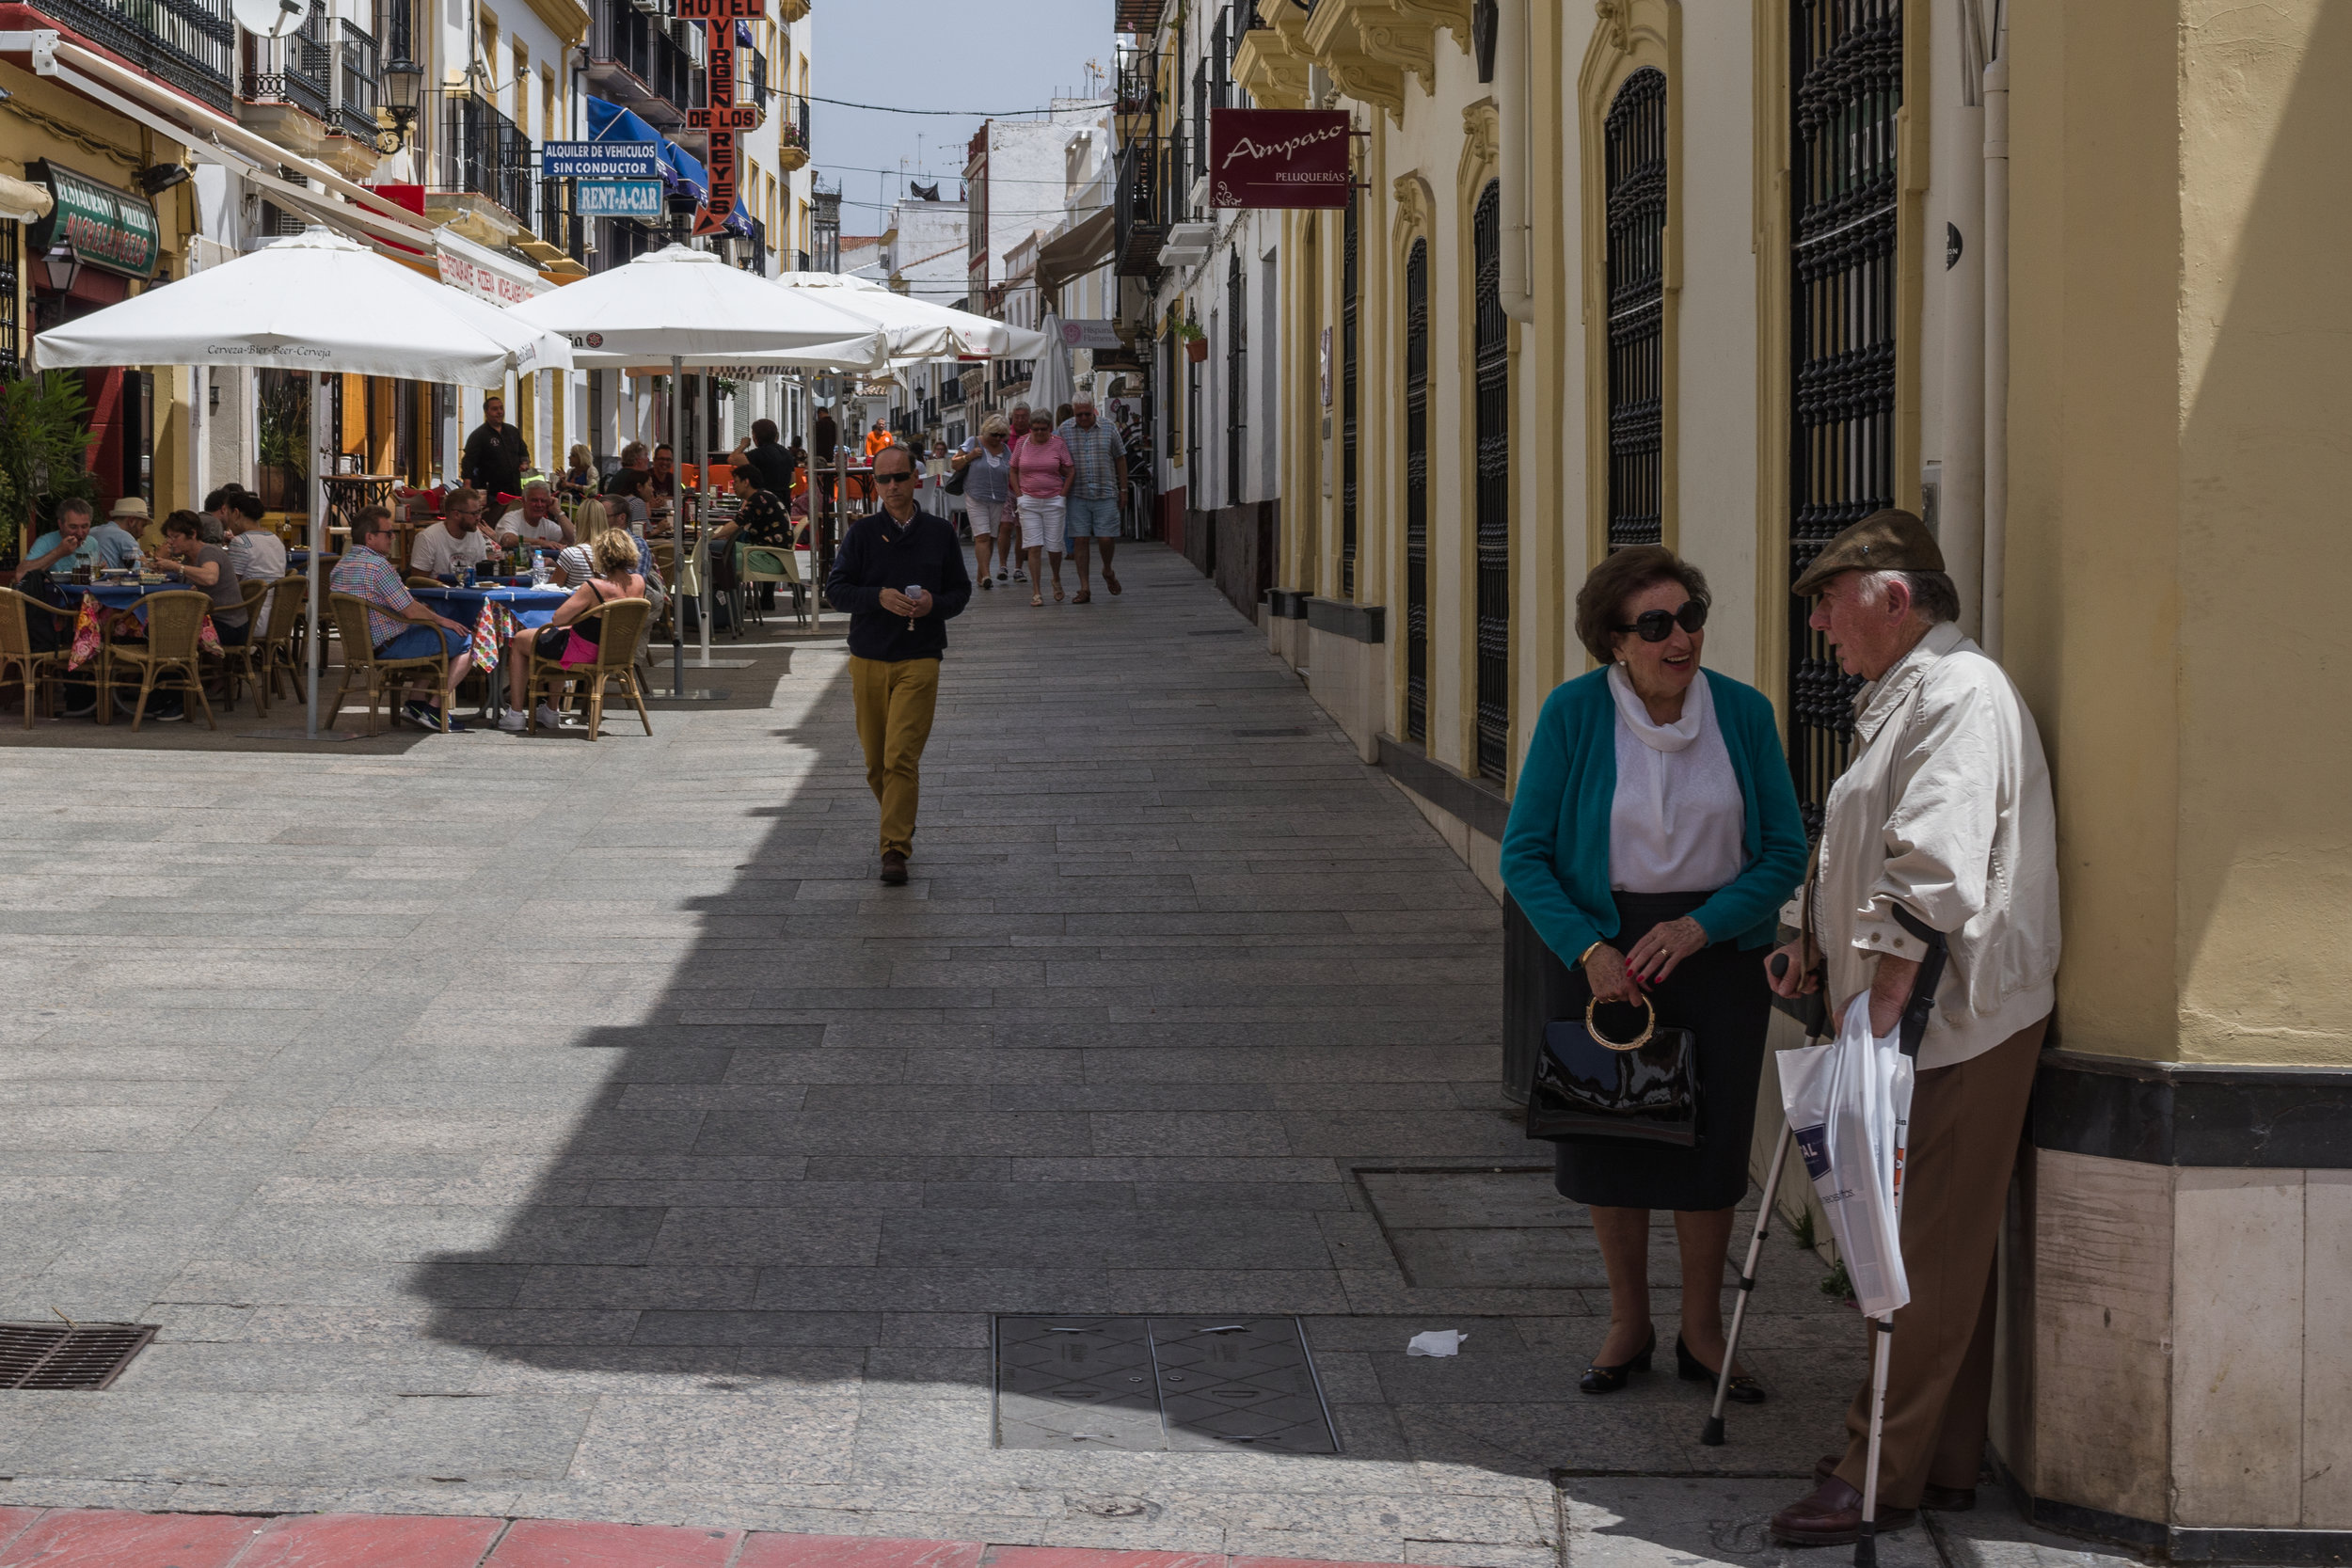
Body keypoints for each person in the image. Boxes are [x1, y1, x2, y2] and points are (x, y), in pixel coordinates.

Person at [1765, 511, 2058, 1547]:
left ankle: (1872, 1470)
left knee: (1917, 1257)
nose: (1815, 624)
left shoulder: (1956, 693)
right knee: (1938, 1245)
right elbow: (1863, 838)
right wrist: (1806, 935)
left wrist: (1878, 1010)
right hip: (1919, 1014)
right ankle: (1938, 1459)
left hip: (1953, 1019)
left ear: (1891, 597)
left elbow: (1931, 862)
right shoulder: (1905, 696)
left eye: (1825, 600)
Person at [1500, 546, 1807, 1402]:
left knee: (1708, 1151)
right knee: (1613, 1140)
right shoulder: (1572, 714)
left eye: (1690, 618)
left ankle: (1702, 1331)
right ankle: (1627, 1321)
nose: (1681, 638)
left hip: (1716, 948)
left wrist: (1704, 924)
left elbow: (1785, 852)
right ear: (1615, 641)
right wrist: (1591, 951)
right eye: (1657, 624)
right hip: (1601, 953)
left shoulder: (1742, 715)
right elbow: (1524, 856)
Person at [826, 443, 971, 886]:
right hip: (868, 657)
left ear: (916, 479)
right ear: (875, 484)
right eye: (883, 479)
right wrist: (877, 597)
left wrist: (932, 605)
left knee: (900, 758)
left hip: (920, 657)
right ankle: (900, 817)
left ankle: (894, 848)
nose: (892, 486)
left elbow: (960, 593)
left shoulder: (940, 533)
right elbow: (836, 591)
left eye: (899, 477)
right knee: (876, 764)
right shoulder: (862, 534)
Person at [330, 506, 476, 731]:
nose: (393, 537)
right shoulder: (379, 566)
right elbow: (410, 611)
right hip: (390, 645)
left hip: (362, 645)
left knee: (440, 636)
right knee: (468, 640)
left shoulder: (340, 566)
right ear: (370, 537)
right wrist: (443, 620)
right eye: (388, 533)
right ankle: (435, 710)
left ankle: (416, 703)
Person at [499, 529, 645, 732]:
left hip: (584, 652)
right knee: (563, 633)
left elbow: (558, 618)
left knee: (520, 639)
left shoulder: (595, 586)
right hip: (616, 652)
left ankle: (516, 714)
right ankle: (550, 710)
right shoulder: (639, 582)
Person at [1057, 394, 1128, 602]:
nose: (1084, 418)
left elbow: (1120, 458)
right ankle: (1084, 588)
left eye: (1087, 413)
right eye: (1079, 414)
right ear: (1073, 412)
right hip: (1077, 494)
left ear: (1094, 410)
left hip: (1105, 492)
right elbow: (1054, 456)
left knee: (1106, 538)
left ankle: (1107, 569)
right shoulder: (1064, 430)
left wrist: (1124, 490)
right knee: (1080, 539)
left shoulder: (1108, 427)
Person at [154, 510, 252, 654]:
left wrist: (175, 566)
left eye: (175, 537)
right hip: (209, 620)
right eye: (168, 537)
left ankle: (174, 672)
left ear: (193, 534)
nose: (170, 542)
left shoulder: (208, 552)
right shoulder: (188, 559)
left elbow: (210, 578)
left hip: (228, 626)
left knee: (166, 631)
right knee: (159, 626)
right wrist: (160, 564)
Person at [1010, 410, 1073, 607]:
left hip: (1054, 500)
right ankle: (1036, 591)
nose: (1038, 433)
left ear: (1049, 428)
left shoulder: (1058, 443)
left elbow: (1070, 470)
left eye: (1042, 429)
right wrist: (1019, 494)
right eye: (1035, 429)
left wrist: (1063, 494)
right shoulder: (1022, 443)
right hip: (1028, 501)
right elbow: (1013, 469)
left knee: (1054, 547)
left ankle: (1055, 577)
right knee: (1034, 546)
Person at [952, 417, 1016, 590]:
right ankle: (987, 574)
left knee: (991, 538)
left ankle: (982, 575)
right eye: (994, 435)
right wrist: (969, 456)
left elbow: (1012, 472)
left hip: (998, 498)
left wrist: (1019, 493)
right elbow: (955, 464)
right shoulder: (973, 442)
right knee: (982, 536)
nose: (997, 439)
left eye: (1002, 436)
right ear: (986, 431)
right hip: (976, 495)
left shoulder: (1005, 449)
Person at [460, 392, 530, 502]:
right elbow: (468, 462)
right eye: (495, 409)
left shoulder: (512, 431)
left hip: (514, 489)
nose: (499, 412)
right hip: (491, 492)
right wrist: (467, 487)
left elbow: (523, 451)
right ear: (486, 412)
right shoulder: (479, 435)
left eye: (501, 408)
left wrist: (525, 463)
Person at [409, 489, 492, 579]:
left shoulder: (476, 534)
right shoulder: (428, 538)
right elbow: (418, 583)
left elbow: (481, 576)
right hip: (438, 593)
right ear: (456, 514)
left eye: (479, 511)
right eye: (474, 513)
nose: (479, 517)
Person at [21, 499, 100, 576]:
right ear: (60, 525)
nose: (79, 533)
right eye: (73, 527)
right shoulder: (45, 542)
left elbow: (95, 576)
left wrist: (100, 572)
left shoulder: (92, 543)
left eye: (84, 526)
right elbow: (20, 574)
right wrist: (59, 552)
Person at [499, 479, 574, 550]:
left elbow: (572, 540)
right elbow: (508, 540)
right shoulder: (511, 518)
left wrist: (558, 512)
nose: (539, 505)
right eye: (534, 500)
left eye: (543, 501)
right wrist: (542, 543)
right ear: (524, 502)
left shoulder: (548, 525)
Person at [732, 418, 797, 499]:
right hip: (783, 502)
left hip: (764, 502)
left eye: (753, 435)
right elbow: (793, 481)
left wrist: (743, 445)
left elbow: (732, 459)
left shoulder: (759, 453)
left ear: (756, 437)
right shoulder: (787, 453)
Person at [92, 499, 149, 564]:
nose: (143, 533)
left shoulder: (91, 531)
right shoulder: (125, 536)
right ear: (131, 521)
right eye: (142, 525)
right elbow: (144, 566)